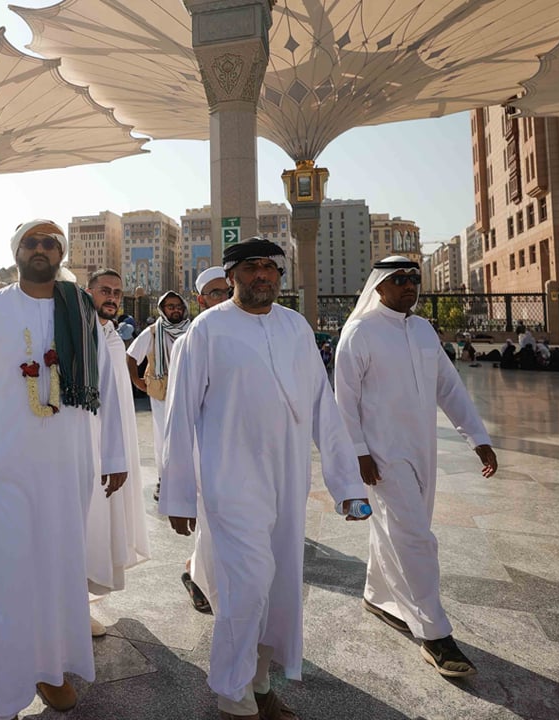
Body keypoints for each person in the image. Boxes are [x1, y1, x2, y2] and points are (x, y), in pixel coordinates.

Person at [160, 237, 368, 720]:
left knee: (277, 590)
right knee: (248, 585)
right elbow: (180, 413)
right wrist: (178, 495)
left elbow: (324, 408)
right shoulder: (207, 331)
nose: (263, 276)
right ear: (230, 276)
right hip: (229, 480)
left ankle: (257, 683)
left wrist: (348, 487)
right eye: (252, 268)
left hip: (288, 481)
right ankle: (233, 698)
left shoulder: (295, 327)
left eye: (271, 268)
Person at [0, 219, 127, 720]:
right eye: (32, 242)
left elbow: (106, 386)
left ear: (60, 252)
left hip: (68, 466)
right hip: (5, 467)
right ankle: (15, 681)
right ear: (17, 250)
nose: (41, 249)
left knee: (61, 572)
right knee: (12, 577)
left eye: (50, 243)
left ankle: (53, 668)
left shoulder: (81, 308)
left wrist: (115, 455)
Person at [334, 256, 498, 678]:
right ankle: (435, 633)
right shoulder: (360, 332)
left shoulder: (423, 330)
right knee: (415, 538)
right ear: (379, 286)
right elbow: (344, 400)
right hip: (382, 456)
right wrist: (358, 452)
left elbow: (449, 387)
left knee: (399, 530)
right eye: (398, 279)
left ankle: (377, 594)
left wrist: (477, 438)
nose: (409, 285)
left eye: (413, 278)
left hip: (422, 450)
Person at [84, 268, 151, 634]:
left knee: (106, 521)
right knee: (86, 521)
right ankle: (73, 607)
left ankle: (84, 600)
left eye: (117, 293)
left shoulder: (112, 333)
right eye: (104, 290)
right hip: (90, 446)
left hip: (116, 445)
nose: (111, 297)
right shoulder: (80, 333)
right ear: (88, 291)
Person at [178, 265, 230, 615]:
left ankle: (200, 574)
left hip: (246, 452)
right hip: (206, 451)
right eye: (215, 294)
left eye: (227, 291)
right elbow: (181, 413)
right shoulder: (191, 338)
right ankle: (202, 581)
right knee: (212, 523)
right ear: (200, 300)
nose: (224, 300)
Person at [127, 290, 191, 502]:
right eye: (170, 306)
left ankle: (189, 481)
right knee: (164, 437)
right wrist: (138, 382)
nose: (175, 310)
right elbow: (131, 356)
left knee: (192, 437)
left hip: (189, 391)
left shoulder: (193, 330)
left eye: (178, 306)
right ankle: (164, 481)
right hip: (161, 392)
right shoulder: (153, 332)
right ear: (162, 310)